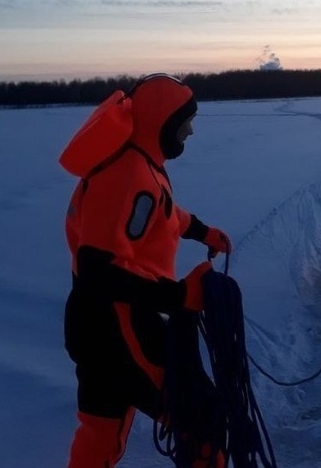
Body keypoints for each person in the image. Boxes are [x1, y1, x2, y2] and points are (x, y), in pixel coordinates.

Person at [59, 73, 231, 468]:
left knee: (101, 432)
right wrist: (178, 296)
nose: (190, 130)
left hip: (98, 326)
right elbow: (97, 269)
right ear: (162, 121)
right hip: (120, 326)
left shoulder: (141, 163)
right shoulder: (127, 175)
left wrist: (203, 231)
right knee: (200, 415)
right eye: (185, 121)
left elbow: (163, 214)